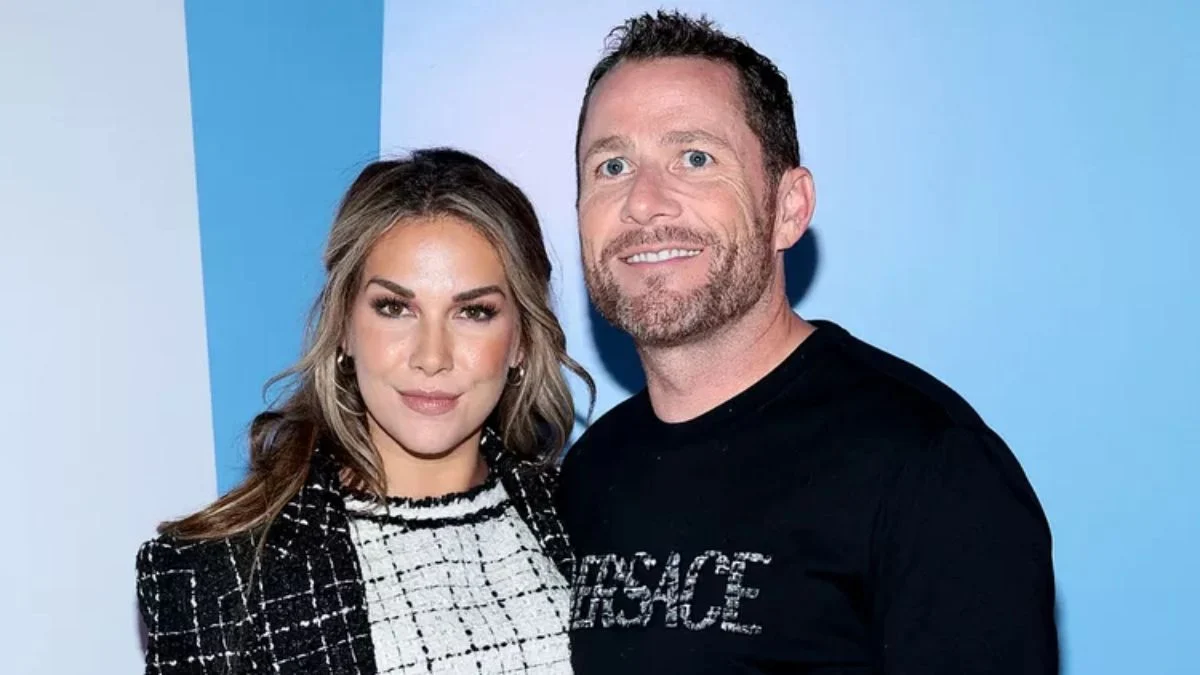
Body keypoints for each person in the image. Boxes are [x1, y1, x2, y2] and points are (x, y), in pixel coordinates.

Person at [559, 11, 1058, 674]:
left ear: (789, 208)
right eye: (613, 165)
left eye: (695, 157)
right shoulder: (587, 475)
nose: (644, 202)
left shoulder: (929, 466)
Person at [136, 148, 591, 675]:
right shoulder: (213, 578)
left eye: (474, 312)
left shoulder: (594, 522)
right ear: (345, 328)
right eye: (395, 308)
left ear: (520, 342)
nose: (431, 357)